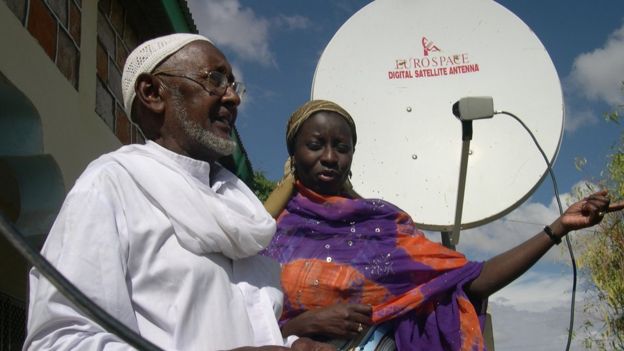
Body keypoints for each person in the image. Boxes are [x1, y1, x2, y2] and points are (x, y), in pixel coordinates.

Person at [23, 34, 331, 351]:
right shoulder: (112, 186)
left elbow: (236, 328)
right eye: (215, 79)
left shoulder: (242, 208)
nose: (233, 98)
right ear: (153, 93)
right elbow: (58, 342)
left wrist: (291, 344)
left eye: (234, 85)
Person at [261, 99, 623, 351]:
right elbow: (234, 318)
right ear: (294, 154)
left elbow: (469, 280)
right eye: (315, 145)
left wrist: (557, 228)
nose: (329, 156)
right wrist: (302, 325)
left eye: (341, 147)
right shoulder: (263, 231)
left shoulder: (381, 227)